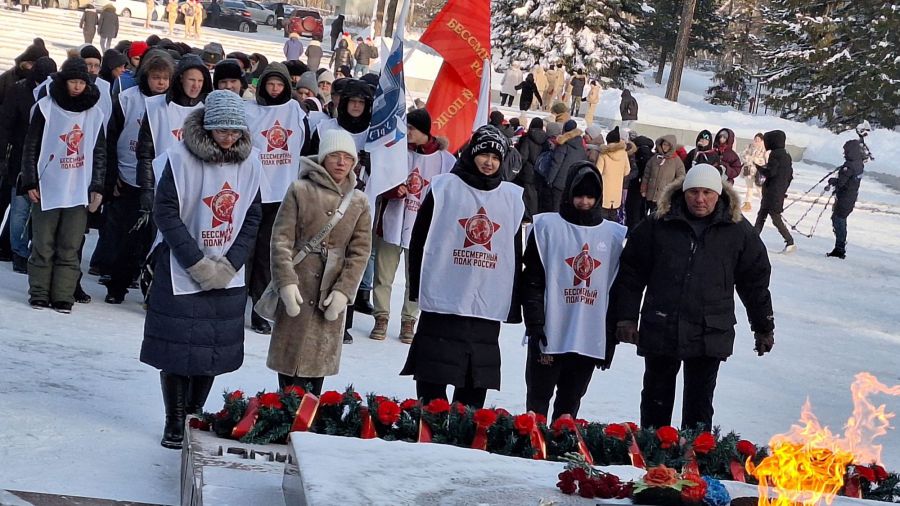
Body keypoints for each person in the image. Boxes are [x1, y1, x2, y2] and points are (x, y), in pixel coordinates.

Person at [140, 90, 263, 450]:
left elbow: (251, 216)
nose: (228, 138)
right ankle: (174, 419)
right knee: (178, 349)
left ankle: (194, 413)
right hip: (183, 267)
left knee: (211, 349)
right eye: (222, 131)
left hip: (227, 271)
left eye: (235, 132)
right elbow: (165, 212)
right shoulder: (179, 158)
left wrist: (229, 264)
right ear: (208, 128)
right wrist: (195, 262)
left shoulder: (251, 162)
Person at [611, 164, 775, 430]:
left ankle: (695, 452)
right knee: (655, 399)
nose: (700, 199)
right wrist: (626, 318)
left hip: (709, 330)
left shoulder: (738, 230)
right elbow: (632, 273)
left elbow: (754, 282)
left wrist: (763, 327)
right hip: (662, 325)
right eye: (694, 192)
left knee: (699, 404)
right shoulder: (658, 224)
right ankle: (655, 451)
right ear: (683, 192)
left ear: (718, 194)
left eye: (707, 193)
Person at [400, 125, 525, 408]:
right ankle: (431, 420)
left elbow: (513, 254)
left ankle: (464, 426)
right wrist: (417, 284)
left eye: (495, 157)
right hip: (444, 296)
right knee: (434, 371)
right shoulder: (444, 187)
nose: (489, 162)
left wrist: (512, 301)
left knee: (473, 379)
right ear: (472, 154)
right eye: (484, 155)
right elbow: (420, 239)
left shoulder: (512, 198)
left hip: (485, 303)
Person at [267, 129, 371, 394]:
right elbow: (281, 239)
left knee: (318, 360)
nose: (341, 162)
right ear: (323, 157)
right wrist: (286, 282)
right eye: (335, 156)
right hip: (299, 282)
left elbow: (360, 252)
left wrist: (344, 291)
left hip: (331, 290)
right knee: (289, 359)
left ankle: (309, 414)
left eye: (347, 157)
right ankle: (284, 409)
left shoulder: (358, 201)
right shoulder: (299, 190)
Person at [522, 162, 626, 420]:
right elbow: (532, 279)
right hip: (550, 329)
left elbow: (616, 291)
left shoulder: (612, 235)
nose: (584, 202)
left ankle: (562, 439)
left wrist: (609, 338)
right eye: (579, 195)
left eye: (591, 196)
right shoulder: (546, 227)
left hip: (586, 334)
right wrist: (534, 322)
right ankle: (533, 439)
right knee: (538, 399)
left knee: (570, 402)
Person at [20, 58, 107, 313]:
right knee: (43, 244)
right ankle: (39, 292)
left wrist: (97, 186)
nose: (77, 87)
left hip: (78, 190)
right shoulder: (46, 107)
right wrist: (30, 181)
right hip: (47, 187)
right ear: (63, 81)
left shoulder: (94, 113)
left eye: (82, 82)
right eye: (73, 82)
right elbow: (30, 146)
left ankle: (63, 295)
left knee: (70, 246)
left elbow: (99, 152)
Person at [370, 109, 455, 343]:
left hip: (423, 227)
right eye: (405, 127)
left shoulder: (445, 160)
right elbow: (380, 181)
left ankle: (409, 319)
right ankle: (381, 316)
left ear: (424, 131)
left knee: (415, 276)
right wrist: (393, 190)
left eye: (412, 128)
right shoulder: (396, 151)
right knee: (383, 274)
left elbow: (450, 194)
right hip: (392, 221)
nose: (407, 132)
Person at [103, 50, 176, 304]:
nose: (161, 83)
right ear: (146, 76)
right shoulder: (127, 99)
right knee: (126, 234)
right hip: (129, 176)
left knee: (153, 238)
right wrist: (111, 175)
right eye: (156, 77)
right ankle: (116, 283)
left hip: (162, 181)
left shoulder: (174, 105)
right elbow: (110, 138)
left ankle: (145, 281)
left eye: (165, 78)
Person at [243, 62, 308, 334]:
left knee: (267, 255)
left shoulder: (295, 111)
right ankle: (236, 303)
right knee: (245, 251)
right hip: (252, 191)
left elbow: (306, 147)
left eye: (279, 84)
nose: (274, 89)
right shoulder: (249, 110)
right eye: (270, 84)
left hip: (281, 193)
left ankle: (259, 309)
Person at [136, 55, 213, 232]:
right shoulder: (156, 107)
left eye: (200, 81)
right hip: (163, 186)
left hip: (197, 189)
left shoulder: (208, 110)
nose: (196, 85)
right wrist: (146, 188)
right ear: (180, 78)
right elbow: (145, 152)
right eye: (192, 80)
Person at [0, 56, 57, 274]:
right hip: (20, 156)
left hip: (45, 158)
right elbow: (6, 123)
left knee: (31, 210)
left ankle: (27, 249)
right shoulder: (19, 90)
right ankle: (19, 252)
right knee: (20, 208)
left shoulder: (54, 92)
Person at [753, 130, 795, 254]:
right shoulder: (786, 155)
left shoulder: (775, 155)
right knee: (762, 215)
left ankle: (790, 241)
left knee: (774, 217)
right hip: (776, 192)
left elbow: (771, 172)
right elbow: (789, 176)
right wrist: (783, 189)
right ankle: (752, 238)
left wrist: (759, 168)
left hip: (772, 193)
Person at [826, 140, 864, 259]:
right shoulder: (859, 163)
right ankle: (840, 246)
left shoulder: (849, 166)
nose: (844, 153)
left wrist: (833, 181)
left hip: (844, 197)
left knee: (838, 220)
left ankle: (839, 248)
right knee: (840, 219)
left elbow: (841, 182)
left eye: (845, 151)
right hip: (851, 196)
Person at [540, 119, 586, 213]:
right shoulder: (581, 146)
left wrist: (549, 180)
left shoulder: (564, 144)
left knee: (555, 207)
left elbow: (556, 163)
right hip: (572, 183)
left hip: (559, 183)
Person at [641, 134, 685, 215]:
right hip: (650, 194)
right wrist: (643, 188)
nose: (665, 147)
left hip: (664, 196)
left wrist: (672, 186)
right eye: (664, 144)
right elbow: (646, 174)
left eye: (668, 145)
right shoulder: (654, 158)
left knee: (659, 216)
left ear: (671, 146)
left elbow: (681, 176)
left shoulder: (676, 161)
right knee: (647, 215)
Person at [595, 126, 631, 221]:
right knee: (613, 217)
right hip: (616, 192)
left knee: (601, 218)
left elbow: (598, 171)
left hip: (604, 191)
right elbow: (627, 171)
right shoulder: (624, 154)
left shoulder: (603, 154)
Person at [515, 117, 547, 218]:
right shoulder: (546, 138)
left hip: (528, 171)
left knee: (528, 195)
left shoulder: (528, 138)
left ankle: (529, 216)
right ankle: (535, 215)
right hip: (541, 171)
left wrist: (518, 168)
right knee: (536, 195)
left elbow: (523, 156)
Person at [625, 132, 654, 230]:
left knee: (632, 210)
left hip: (634, 186)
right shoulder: (652, 155)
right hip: (647, 188)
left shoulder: (637, 153)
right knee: (641, 211)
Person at [740, 133, 766, 212]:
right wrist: (747, 158)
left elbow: (764, 161)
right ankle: (747, 204)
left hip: (758, 171)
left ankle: (765, 203)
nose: (756, 142)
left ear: (762, 141)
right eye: (755, 140)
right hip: (748, 169)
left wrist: (754, 159)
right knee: (749, 187)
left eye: (758, 140)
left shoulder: (764, 149)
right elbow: (742, 155)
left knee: (759, 188)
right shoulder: (749, 146)